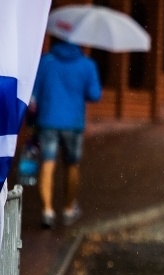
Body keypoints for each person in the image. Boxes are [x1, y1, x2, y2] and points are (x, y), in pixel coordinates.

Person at [31, 38, 101, 229]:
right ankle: (69, 208)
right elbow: (95, 95)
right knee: (72, 164)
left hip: (47, 121)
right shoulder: (87, 64)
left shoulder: (45, 62)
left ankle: (47, 211)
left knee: (47, 162)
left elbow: (33, 93)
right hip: (73, 124)